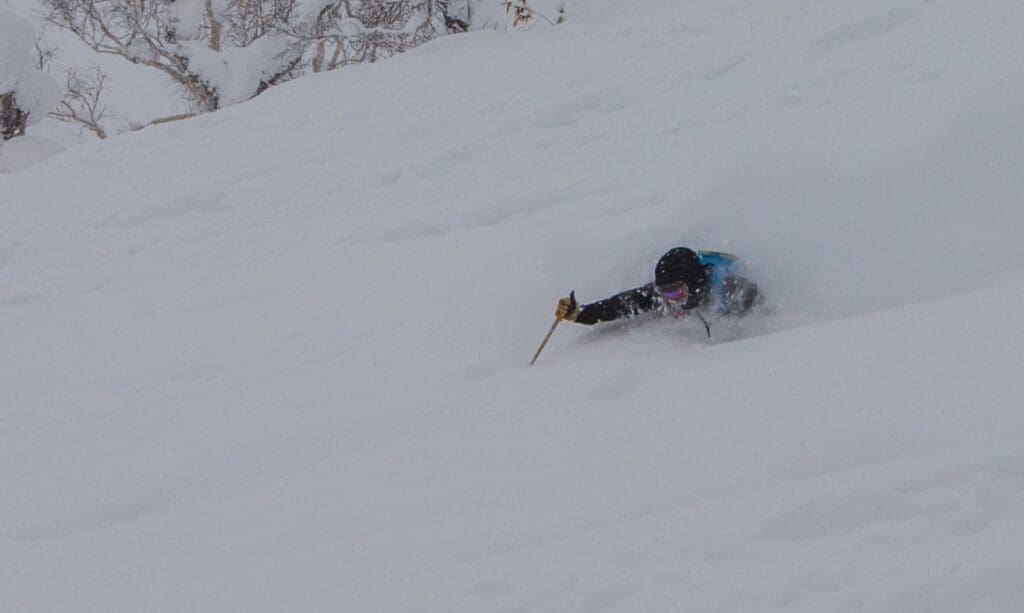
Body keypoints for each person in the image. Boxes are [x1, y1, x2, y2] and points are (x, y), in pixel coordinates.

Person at [554, 247, 761, 331]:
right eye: (665, 293)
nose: (671, 300)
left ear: (692, 283)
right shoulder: (667, 293)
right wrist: (581, 314)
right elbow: (624, 304)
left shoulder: (731, 290)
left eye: (675, 293)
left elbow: (764, 318)